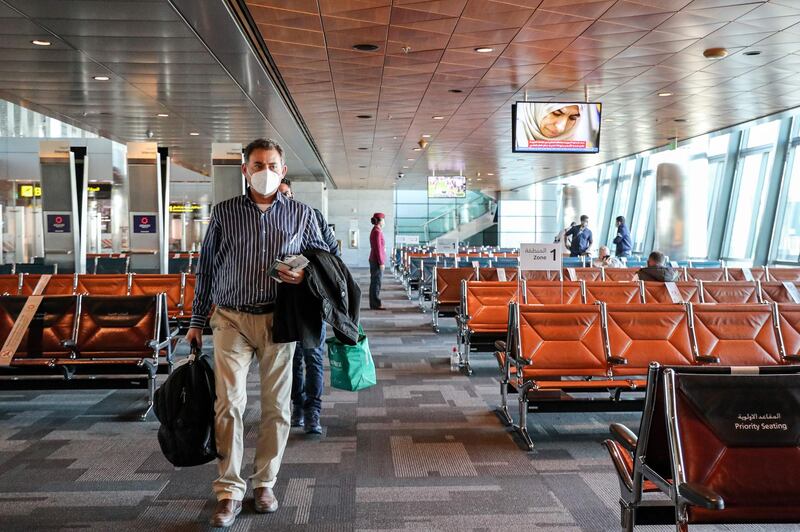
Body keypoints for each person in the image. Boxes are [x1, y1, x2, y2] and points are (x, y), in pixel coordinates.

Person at [185, 138, 328, 528]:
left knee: (277, 408)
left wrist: (305, 275)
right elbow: (208, 270)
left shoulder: (302, 214)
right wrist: (197, 321)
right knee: (228, 404)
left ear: (283, 170)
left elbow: (327, 260)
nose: (266, 170)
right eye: (258, 164)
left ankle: (264, 483)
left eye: (273, 164)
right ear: (245, 170)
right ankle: (229, 491)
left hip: (278, 321)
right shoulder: (225, 213)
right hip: (230, 319)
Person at [278, 178, 338, 435]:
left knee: (313, 357)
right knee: (293, 359)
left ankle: (313, 412)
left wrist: (308, 266)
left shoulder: (311, 216)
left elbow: (332, 254)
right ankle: (297, 406)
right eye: (280, 195)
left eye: (288, 194)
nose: (285, 199)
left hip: (311, 298)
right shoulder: (270, 221)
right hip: (284, 300)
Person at [516, 103, 601, 150]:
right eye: (556, 113)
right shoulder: (514, 135)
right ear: (536, 108)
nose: (561, 128)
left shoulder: (580, 147)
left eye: (572, 118)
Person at [369, 213, 387, 310]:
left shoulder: (376, 230)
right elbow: (378, 248)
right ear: (380, 220)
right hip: (376, 260)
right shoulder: (377, 231)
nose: (384, 222)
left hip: (375, 260)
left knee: (375, 282)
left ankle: (374, 303)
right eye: (383, 220)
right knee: (376, 282)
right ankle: (375, 303)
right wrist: (381, 262)